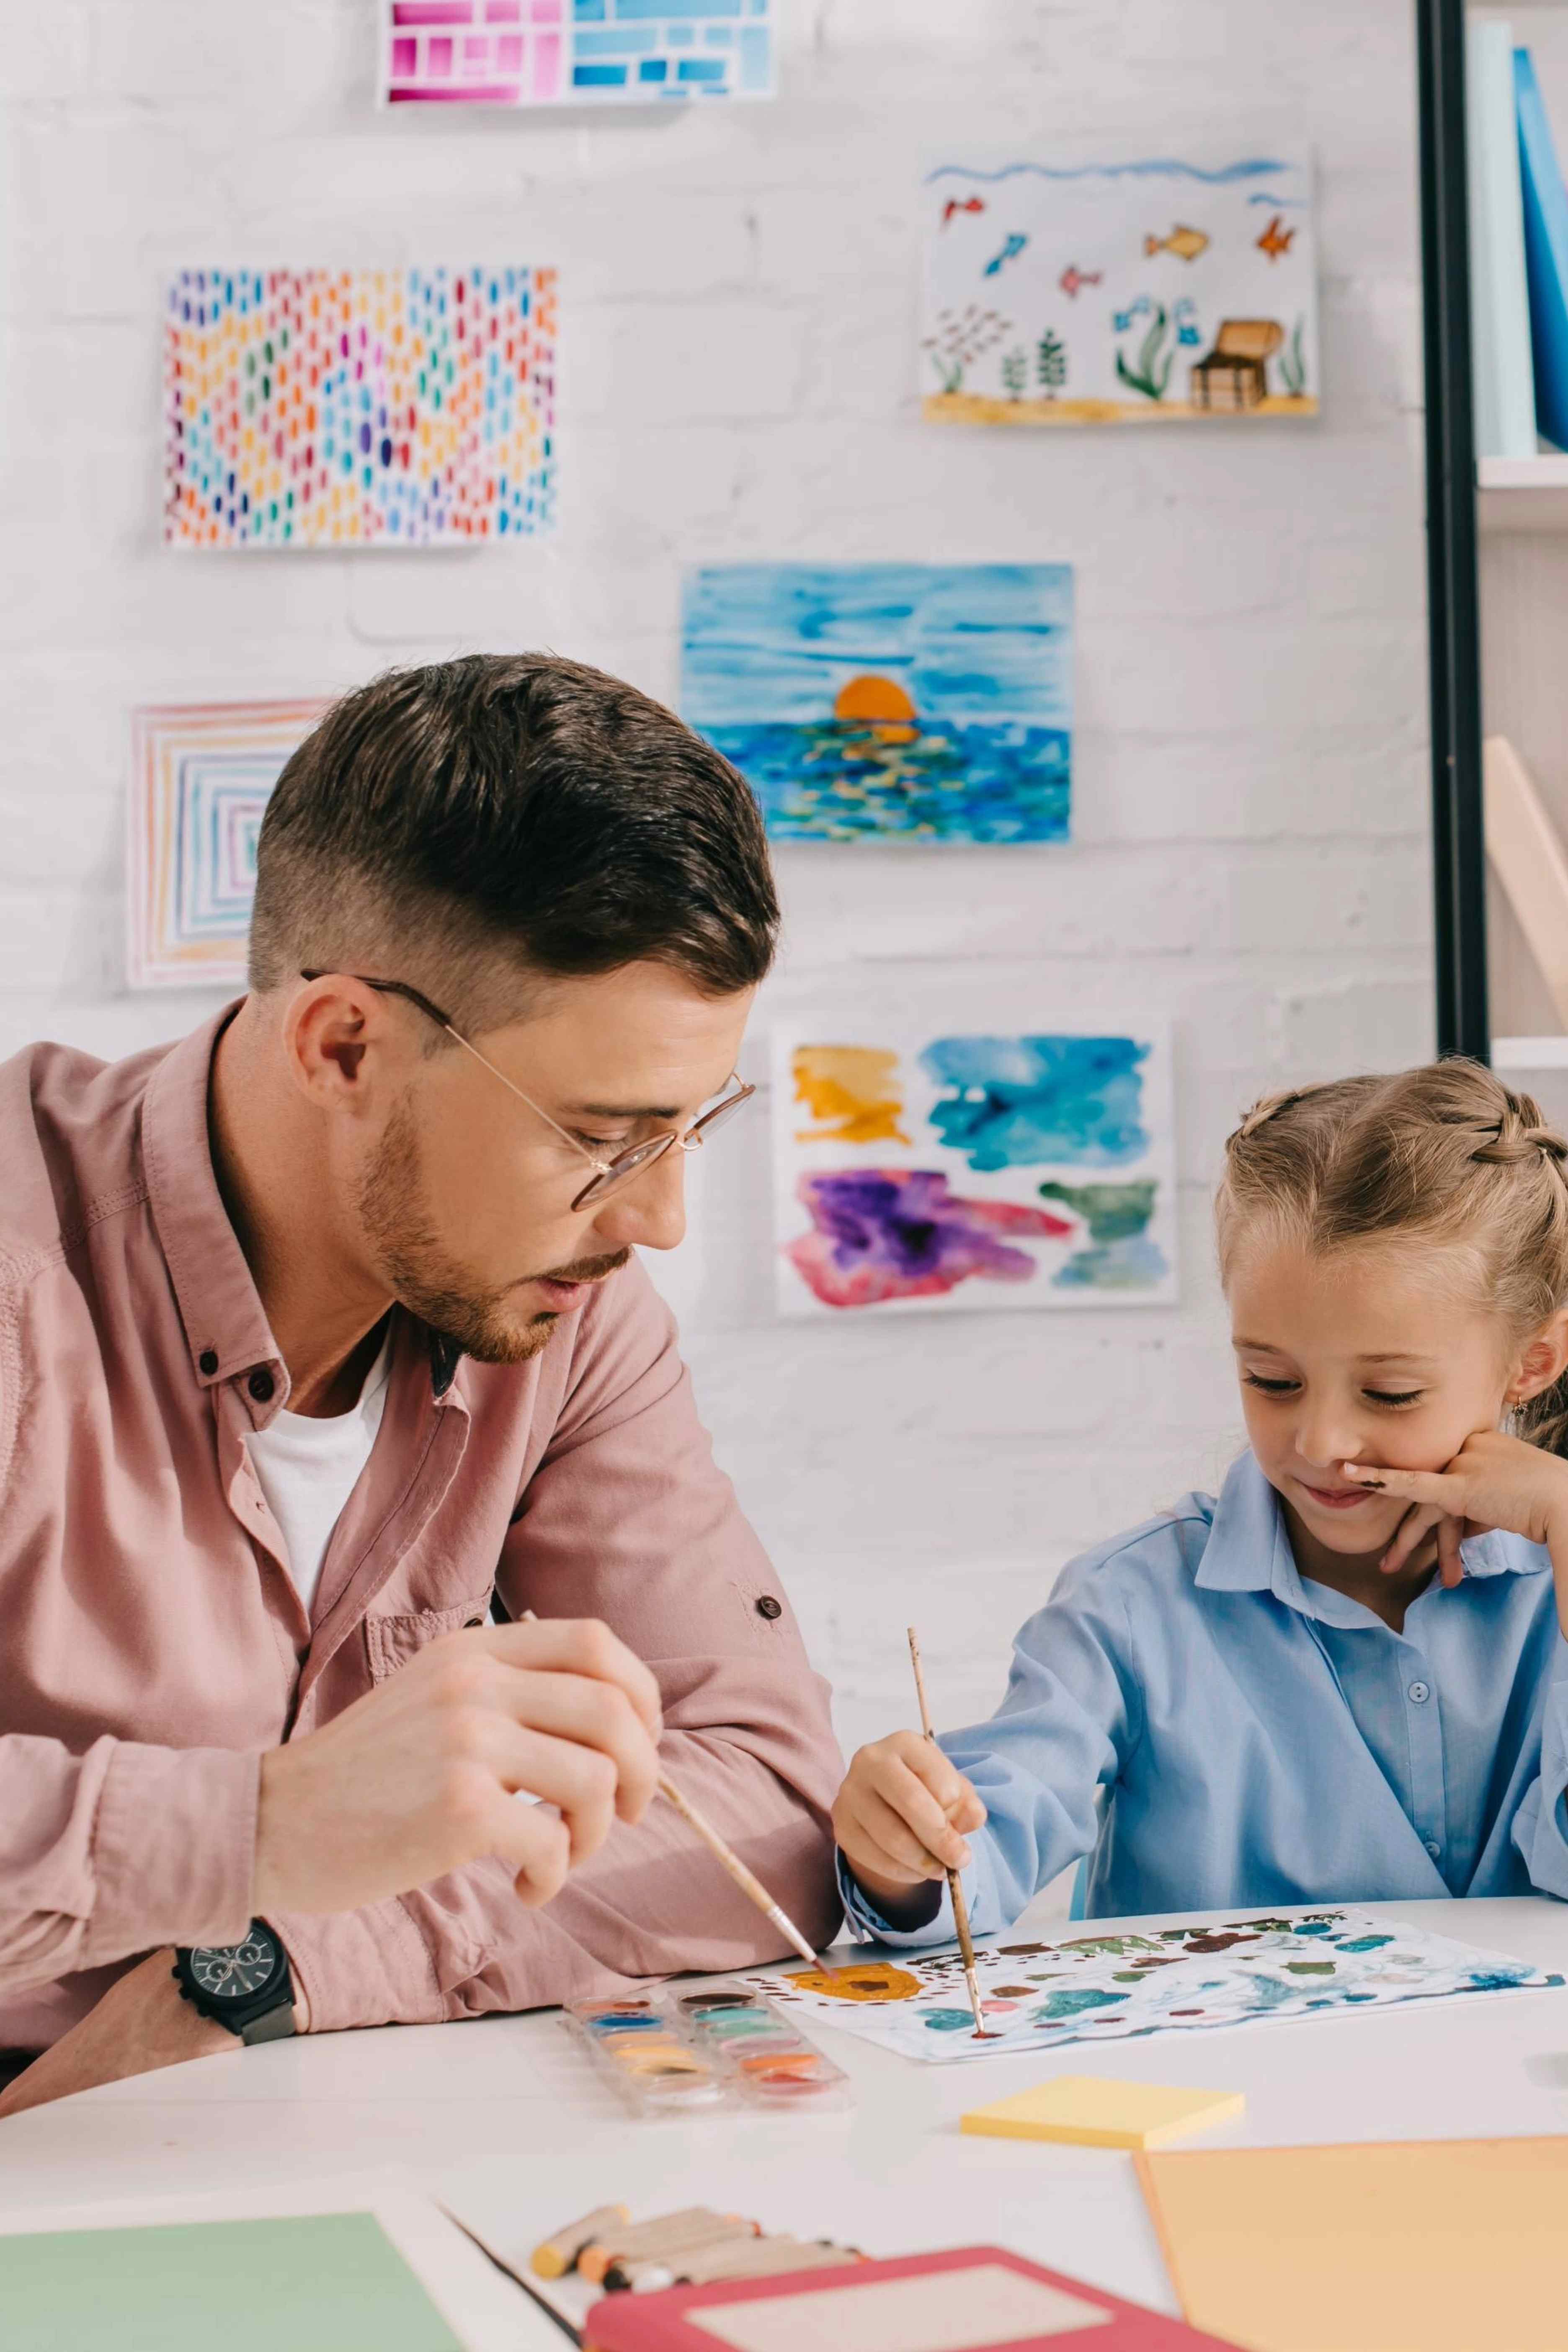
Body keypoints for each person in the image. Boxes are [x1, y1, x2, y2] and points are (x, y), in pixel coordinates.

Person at [0, 654, 840, 2117]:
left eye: (691, 1126)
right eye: (602, 1134)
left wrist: (266, 1964)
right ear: (344, 1044)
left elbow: (766, 1814)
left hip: (334, 2115)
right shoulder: (23, 1266)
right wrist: (267, 1825)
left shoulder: (563, 1303)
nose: (658, 1220)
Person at [833, 1061, 1568, 1941]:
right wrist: (903, 1848)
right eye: (1272, 1379)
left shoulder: (1546, 1588)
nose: (1321, 1442)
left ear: (1530, 1364)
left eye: (1390, 1395)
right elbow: (984, 1852)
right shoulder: (1131, 1603)